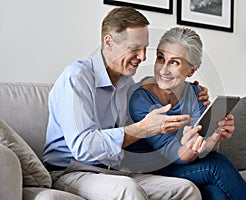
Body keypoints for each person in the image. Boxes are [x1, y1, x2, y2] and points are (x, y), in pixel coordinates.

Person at [42, 7, 210, 200]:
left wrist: (194, 89)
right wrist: (142, 129)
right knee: (127, 189)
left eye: (145, 48)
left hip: (113, 171)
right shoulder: (77, 78)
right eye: (134, 48)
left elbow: (154, 86)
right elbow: (83, 147)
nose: (143, 56)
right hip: (71, 170)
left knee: (186, 189)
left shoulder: (125, 82)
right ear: (109, 42)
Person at [125, 27, 246, 200]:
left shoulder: (196, 93)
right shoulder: (140, 99)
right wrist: (191, 148)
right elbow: (173, 154)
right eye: (160, 58)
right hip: (150, 168)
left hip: (181, 164)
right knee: (216, 165)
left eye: (174, 62)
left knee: (215, 193)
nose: (163, 69)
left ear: (191, 70)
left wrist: (216, 136)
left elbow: (204, 148)